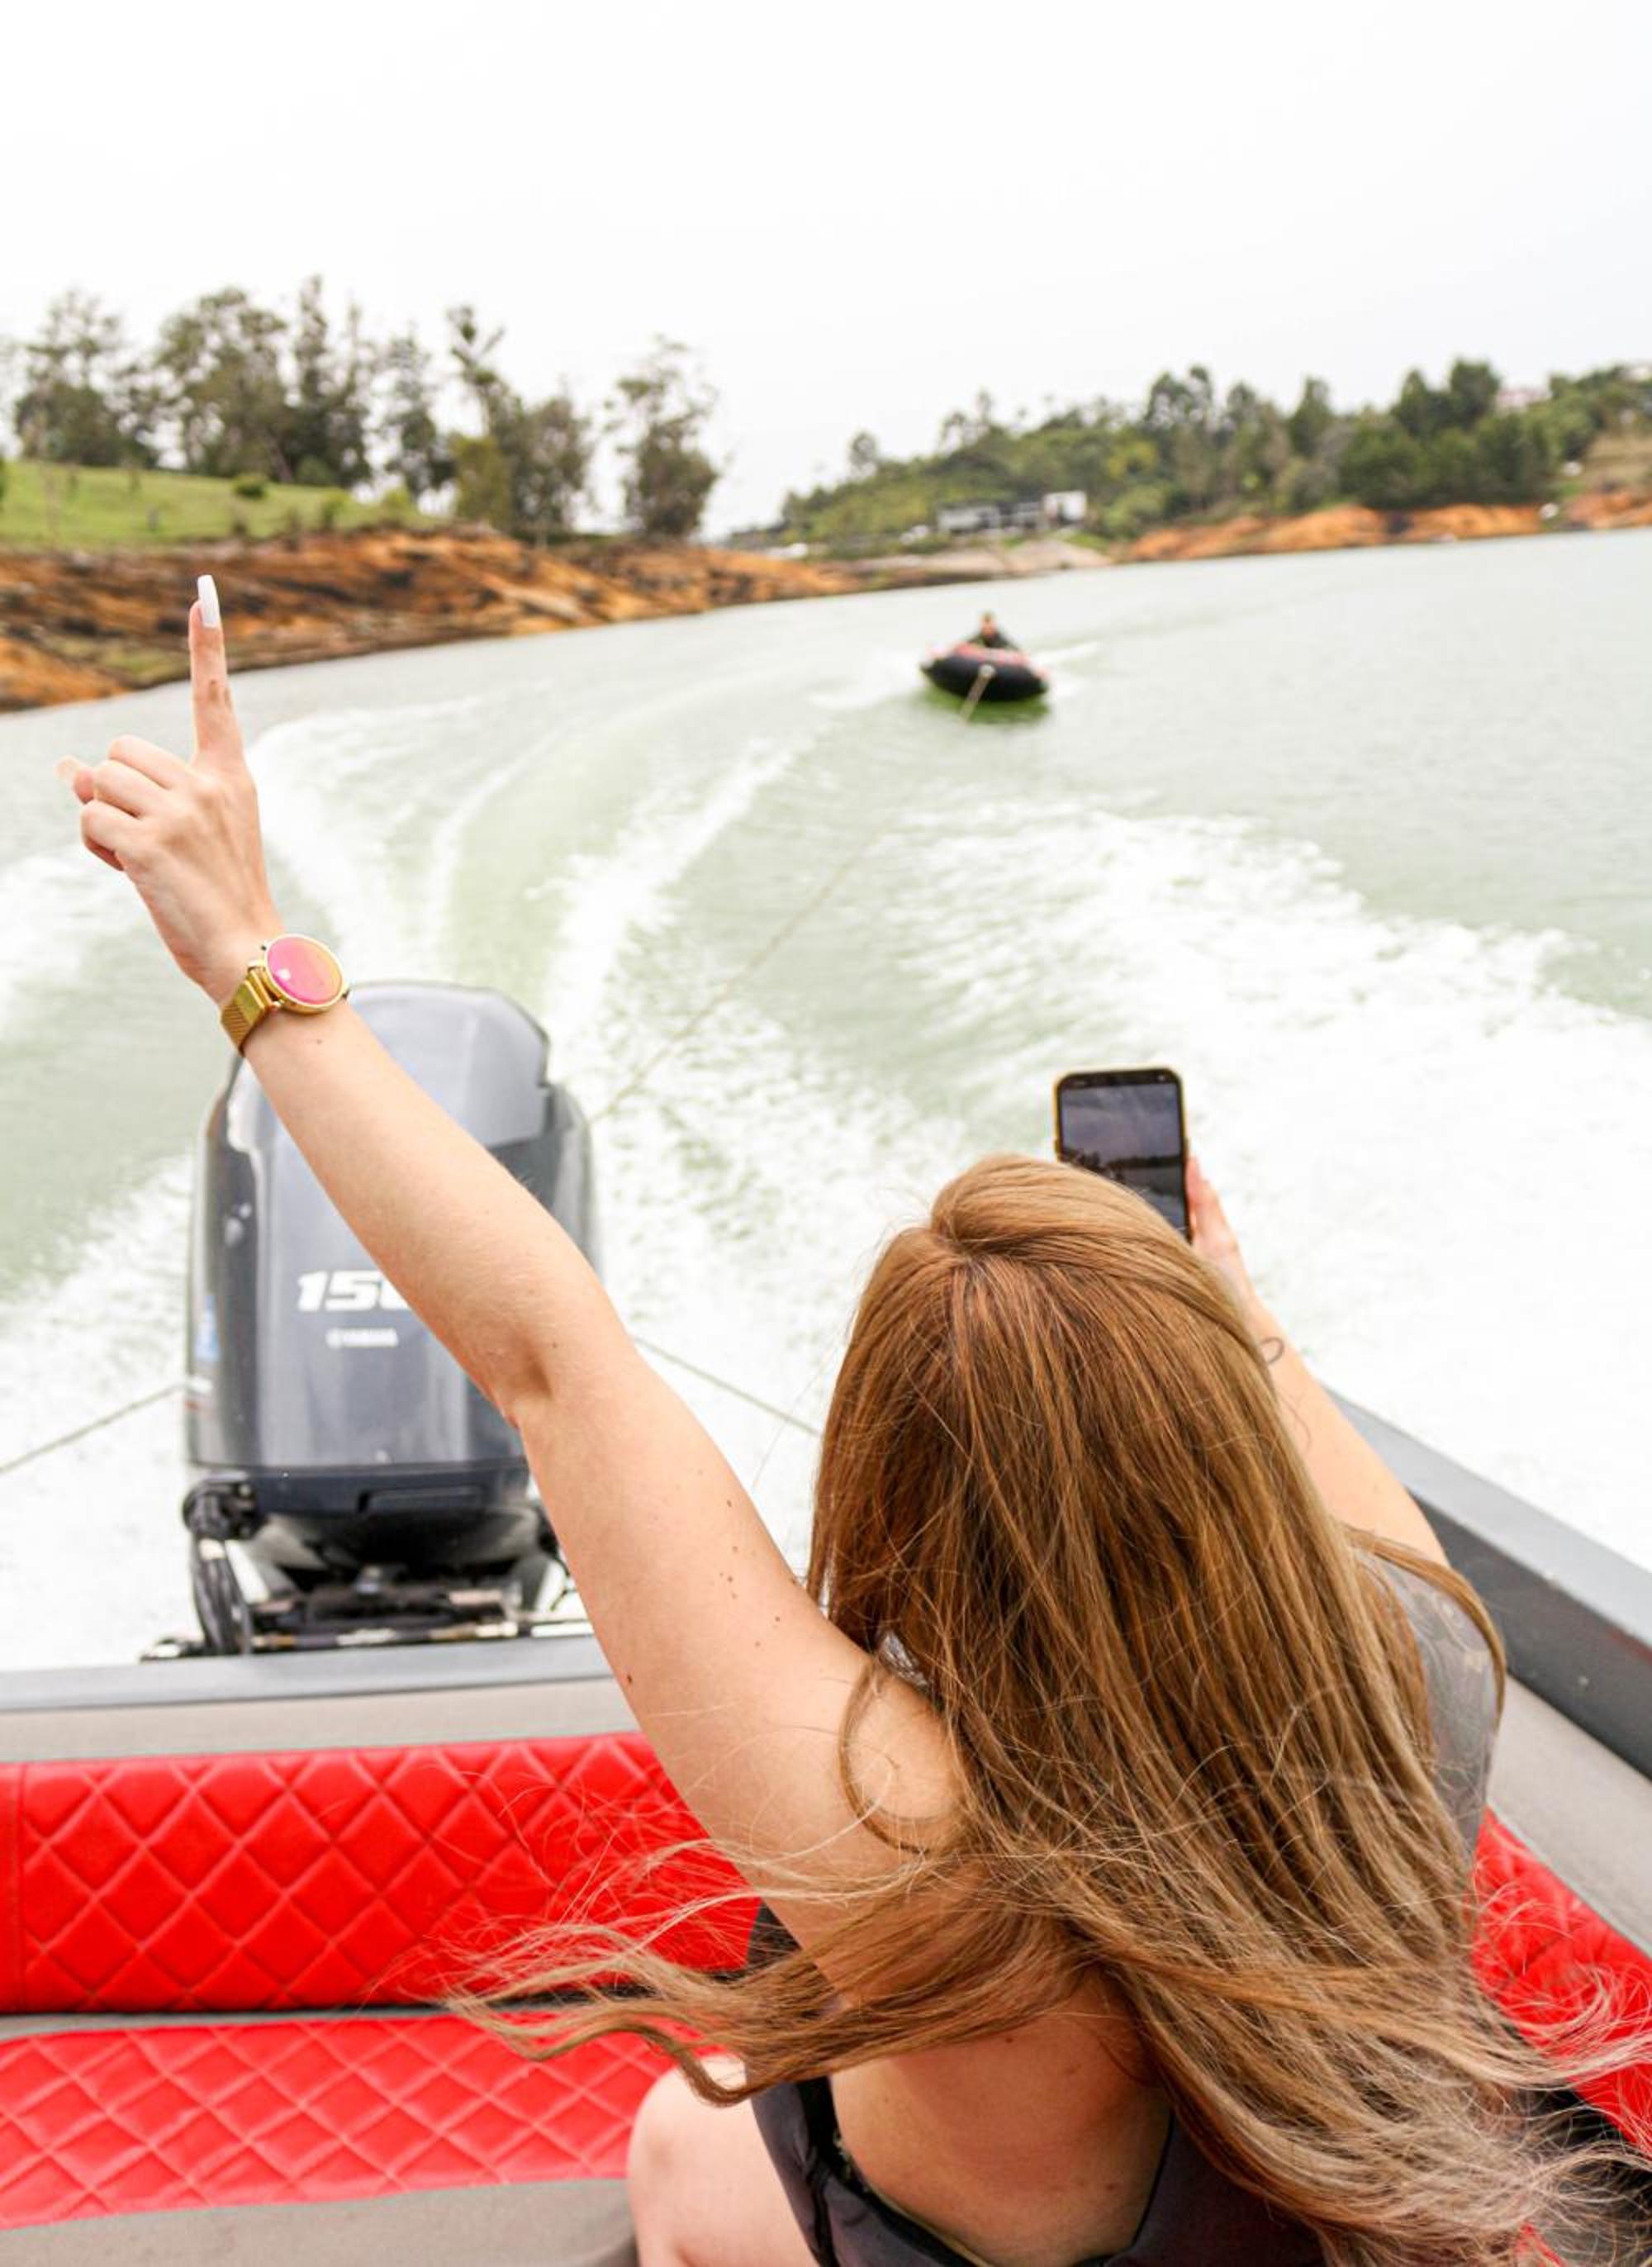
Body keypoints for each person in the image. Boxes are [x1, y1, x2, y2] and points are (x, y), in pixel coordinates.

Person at [59, 598, 1626, 2267]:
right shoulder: (1417, 1667)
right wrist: (1226, 1301)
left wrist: (246, 951)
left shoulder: (918, 1857)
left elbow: (549, 1359)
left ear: (900, 1485)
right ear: (1219, 1441)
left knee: (685, 2139)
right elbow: (554, 1367)